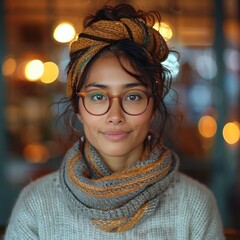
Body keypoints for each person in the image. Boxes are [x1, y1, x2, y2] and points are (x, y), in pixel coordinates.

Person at [4, 4, 225, 240]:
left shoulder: (194, 205)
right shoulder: (37, 205)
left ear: (153, 106)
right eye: (98, 97)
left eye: (133, 96)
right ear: (78, 109)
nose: (115, 115)